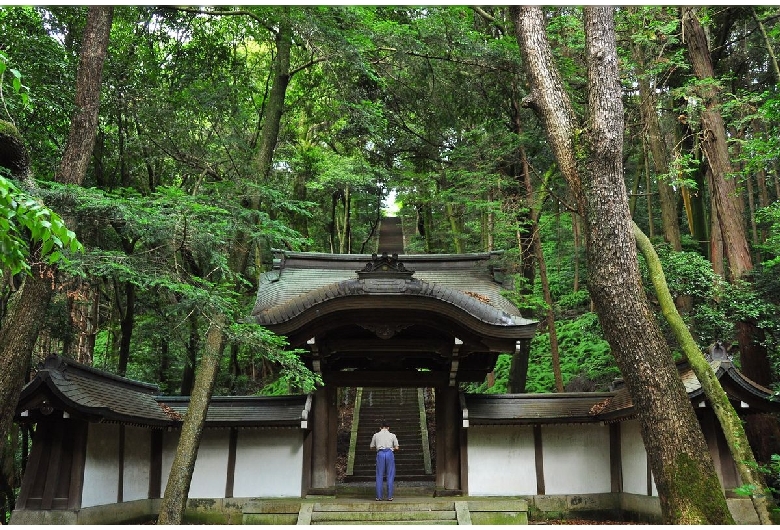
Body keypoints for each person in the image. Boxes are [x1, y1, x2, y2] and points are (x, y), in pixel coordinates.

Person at [369, 419, 399, 501]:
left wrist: (378, 447)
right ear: (388, 427)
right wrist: (391, 448)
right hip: (389, 453)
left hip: (380, 453)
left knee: (379, 475)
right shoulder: (392, 435)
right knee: (390, 474)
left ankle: (379, 497)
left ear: (380, 427)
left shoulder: (376, 435)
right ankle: (389, 496)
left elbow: (371, 447)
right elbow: (397, 447)